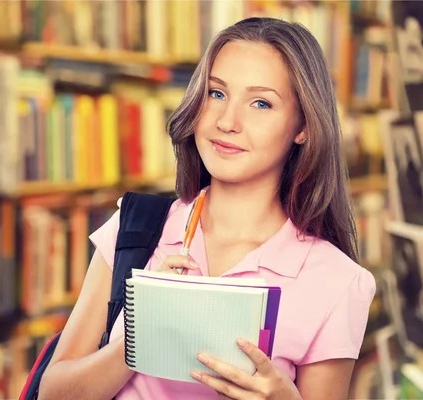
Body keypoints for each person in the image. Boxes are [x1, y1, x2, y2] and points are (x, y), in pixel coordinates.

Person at [38, 17, 376, 400]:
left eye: (261, 103)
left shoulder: (338, 282)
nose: (227, 122)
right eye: (216, 94)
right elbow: (53, 392)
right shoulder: (134, 228)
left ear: (304, 127)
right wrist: (139, 334)